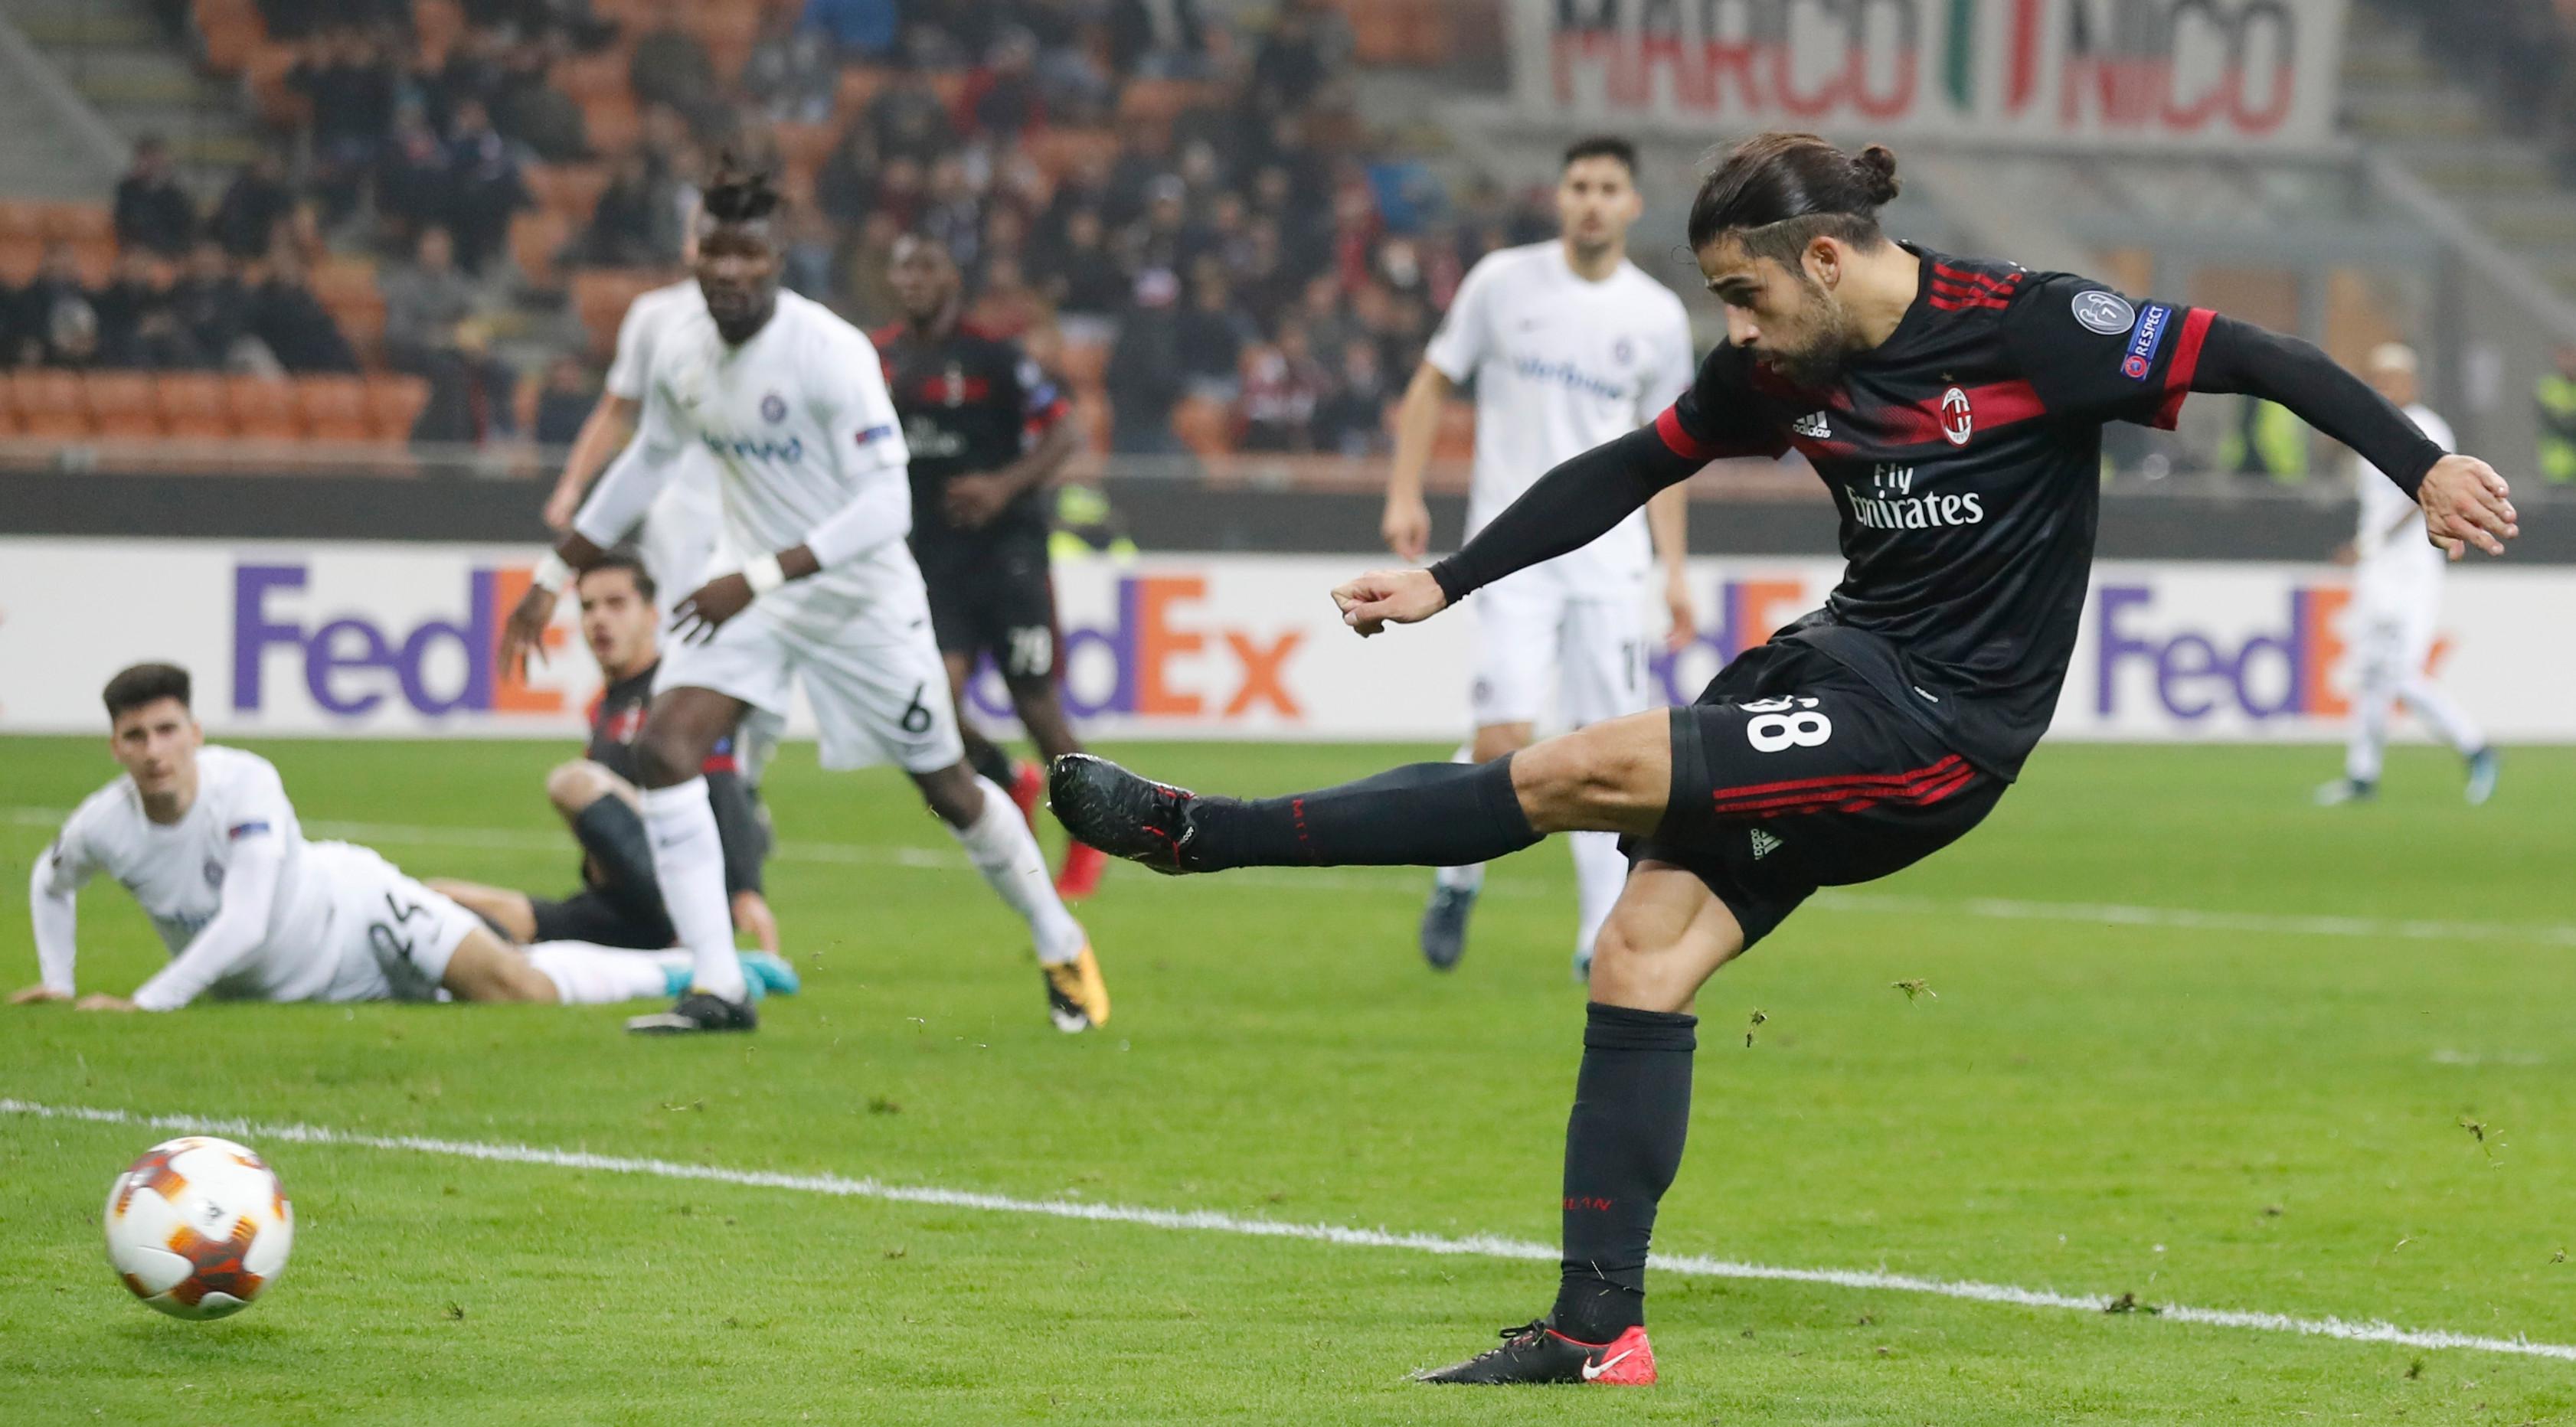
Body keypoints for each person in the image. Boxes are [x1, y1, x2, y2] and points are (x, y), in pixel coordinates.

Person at [1048, 132, 2520, 1385]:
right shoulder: (1772, 369)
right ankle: (1591, 1332)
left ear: (1823, 259)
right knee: (1638, 952)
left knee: (1582, 764)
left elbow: (2254, 352)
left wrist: (2419, 466)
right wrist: (1454, 574)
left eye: (1743, 291)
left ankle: (1201, 833)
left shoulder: (2031, 327)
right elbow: (1632, 465)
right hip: (1836, 668)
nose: (1734, 329)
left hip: (1938, 725)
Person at [502, 168, 1111, 1037]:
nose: (730, 270)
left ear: (777, 259)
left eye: (748, 253)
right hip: (752, 591)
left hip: (856, 600)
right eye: (715, 249)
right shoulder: (679, 345)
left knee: (948, 785)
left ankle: (1059, 940)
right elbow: (646, 459)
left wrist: (749, 578)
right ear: (695, 254)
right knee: (666, 750)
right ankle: (718, 986)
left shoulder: (830, 352)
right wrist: (552, 574)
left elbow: (884, 508)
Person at [1379, 136, 1700, 979]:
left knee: (1610, 755)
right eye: (1579, 185)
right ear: (1559, 197)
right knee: (1501, 736)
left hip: (1611, 562)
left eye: (1608, 188)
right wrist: (1405, 492)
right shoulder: (1501, 283)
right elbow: (1429, 384)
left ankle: (1596, 936)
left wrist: (1672, 569)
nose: (1592, 200)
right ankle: (1456, 880)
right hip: (1508, 553)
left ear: (1631, 204)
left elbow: (1668, 457)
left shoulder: (1656, 317)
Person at [13, 664, 744, 1014]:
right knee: (474, 996)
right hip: (305, 992)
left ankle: (683, 969)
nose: (154, 750)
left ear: (196, 735)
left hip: (361, 915)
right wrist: (60, 980)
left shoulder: (246, 786)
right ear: (114, 747)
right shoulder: (104, 823)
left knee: (516, 989)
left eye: (168, 730)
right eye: (135, 736)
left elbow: (244, 922)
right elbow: (50, 882)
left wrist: (144, 1007)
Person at [878, 233, 1106, 897]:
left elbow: (1067, 432)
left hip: (1008, 557)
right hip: (934, 560)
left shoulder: (995, 357)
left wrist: (1002, 487)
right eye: (903, 265)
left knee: (1036, 701)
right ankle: (1008, 779)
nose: (912, 276)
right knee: (930, 707)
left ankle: (1091, 835)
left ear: (952, 278)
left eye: (925, 263)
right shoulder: (879, 359)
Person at [430, 554, 786, 958]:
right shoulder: (605, 708)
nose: (599, 619)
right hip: (628, 908)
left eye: (616, 604)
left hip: (690, 884)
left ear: (652, 615)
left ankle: (696, 928)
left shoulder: (678, 694)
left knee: (573, 783)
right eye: (587, 607)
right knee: (438, 899)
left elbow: (724, 783)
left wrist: (745, 891)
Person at [2317, 344, 2499, 806]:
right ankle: (2362, 775)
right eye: (2375, 376)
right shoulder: (2370, 427)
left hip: (2414, 567)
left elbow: (2425, 499)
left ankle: (2475, 746)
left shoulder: (2429, 427)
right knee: (2371, 672)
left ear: (2411, 381)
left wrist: (2367, 545)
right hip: (2377, 569)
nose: (2382, 385)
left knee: (2400, 673)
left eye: (2391, 377)